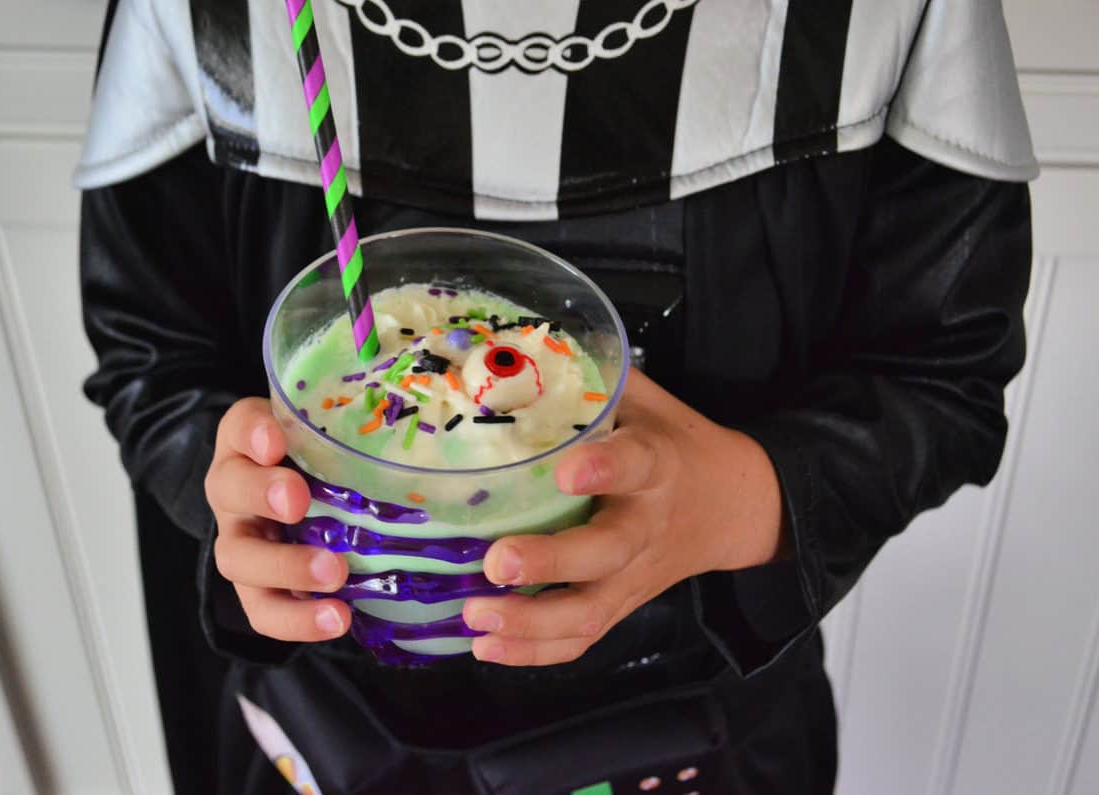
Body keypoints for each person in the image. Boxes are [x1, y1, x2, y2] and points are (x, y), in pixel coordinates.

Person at [77, 1, 1036, 792]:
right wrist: (233, 486)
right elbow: (150, 357)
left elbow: (944, 376)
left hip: (712, 728)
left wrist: (743, 497)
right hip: (326, 729)